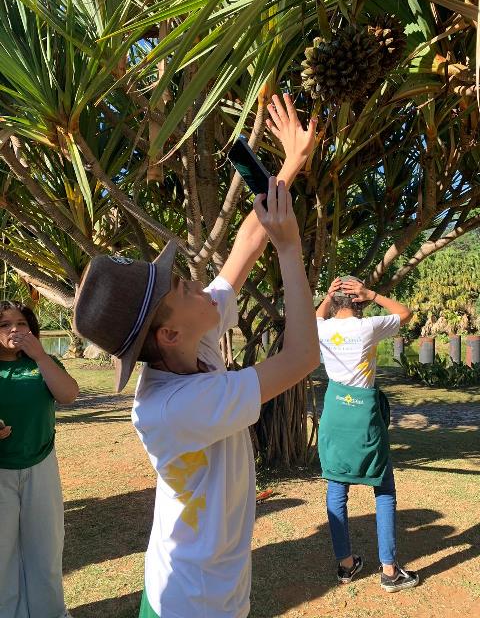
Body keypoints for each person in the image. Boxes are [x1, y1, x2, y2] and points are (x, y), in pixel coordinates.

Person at [73, 93, 319, 618]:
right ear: (167, 335)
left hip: (208, 587)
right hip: (192, 604)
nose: (201, 290)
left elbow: (243, 250)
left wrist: (291, 165)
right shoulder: (176, 405)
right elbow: (301, 357)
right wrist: (292, 249)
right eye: (183, 288)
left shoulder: (191, 343)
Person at [315, 276, 419, 592]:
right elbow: (405, 313)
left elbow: (316, 317)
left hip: (334, 414)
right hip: (363, 417)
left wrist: (329, 295)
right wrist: (372, 293)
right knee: (383, 487)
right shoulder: (367, 328)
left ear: (334, 301)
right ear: (358, 302)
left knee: (337, 487)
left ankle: (346, 566)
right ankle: (389, 571)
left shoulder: (322, 329)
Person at [0, 300, 79, 618]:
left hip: (40, 465)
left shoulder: (44, 362)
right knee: (2, 552)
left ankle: (51, 613)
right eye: (5, 324)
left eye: (21, 323)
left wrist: (40, 356)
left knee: (45, 546)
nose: (15, 330)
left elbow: (68, 395)